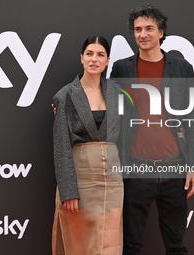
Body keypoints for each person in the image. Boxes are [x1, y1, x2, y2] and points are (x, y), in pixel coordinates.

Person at [110, 4, 194, 255]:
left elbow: (191, 118)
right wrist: (67, 108)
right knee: (131, 246)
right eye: (138, 29)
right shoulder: (120, 68)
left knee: (176, 247)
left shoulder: (182, 68)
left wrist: (193, 165)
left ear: (161, 32)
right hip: (135, 169)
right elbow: (108, 111)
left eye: (149, 28)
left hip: (175, 169)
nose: (143, 34)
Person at [52, 35, 123, 255]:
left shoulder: (118, 93)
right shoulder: (65, 95)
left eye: (100, 54)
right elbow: (61, 145)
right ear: (81, 58)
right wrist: (68, 190)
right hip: (80, 177)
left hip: (112, 179)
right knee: (80, 243)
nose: (94, 59)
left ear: (108, 60)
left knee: (110, 242)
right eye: (89, 54)